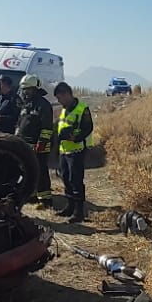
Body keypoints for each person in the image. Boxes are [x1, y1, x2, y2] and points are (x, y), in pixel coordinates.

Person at [52, 82, 92, 223]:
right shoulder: (64, 109)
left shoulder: (82, 109)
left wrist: (72, 136)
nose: (58, 101)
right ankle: (69, 207)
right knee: (66, 179)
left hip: (77, 150)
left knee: (76, 181)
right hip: (64, 151)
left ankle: (78, 212)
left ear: (67, 94)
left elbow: (87, 128)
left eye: (59, 97)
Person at [15, 74, 55, 204]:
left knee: (41, 170)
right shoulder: (26, 104)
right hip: (24, 144)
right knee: (27, 170)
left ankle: (45, 199)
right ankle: (31, 194)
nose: (25, 92)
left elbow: (47, 127)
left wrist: (41, 143)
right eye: (24, 89)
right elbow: (20, 123)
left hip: (39, 145)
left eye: (28, 89)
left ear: (35, 89)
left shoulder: (43, 105)